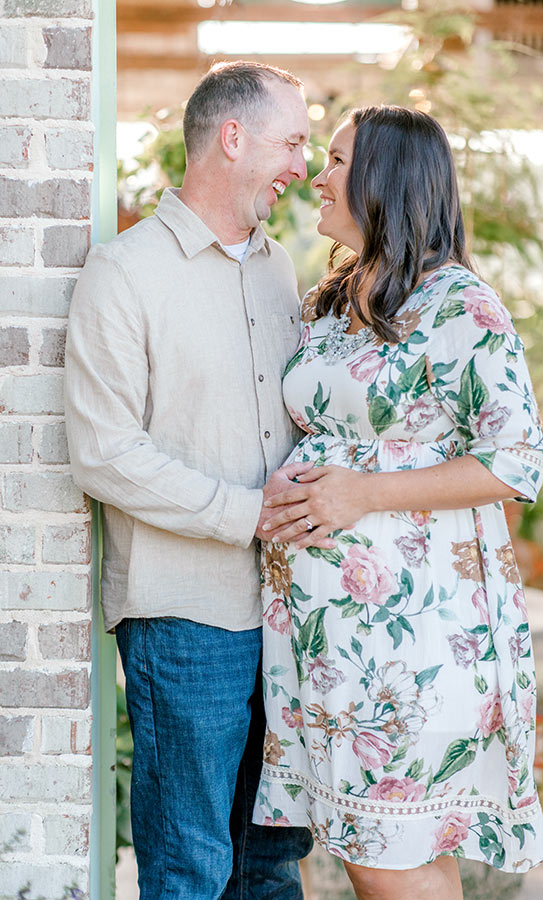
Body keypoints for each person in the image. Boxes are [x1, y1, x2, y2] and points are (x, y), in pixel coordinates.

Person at [252, 106, 543, 900]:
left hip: (411, 639)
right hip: (324, 639)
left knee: (384, 860)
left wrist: (363, 492)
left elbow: (516, 459)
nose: (317, 174)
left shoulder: (460, 307)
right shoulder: (332, 300)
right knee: (395, 852)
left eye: (338, 160)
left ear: (386, 179)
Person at [65, 62, 317, 900]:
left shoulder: (281, 270)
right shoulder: (125, 273)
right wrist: (246, 514)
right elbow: (104, 451)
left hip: (287, 614)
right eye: (292, 141)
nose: (303, 165)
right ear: (231, 137)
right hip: (185, 619)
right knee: (190, 867)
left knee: (273, 866)